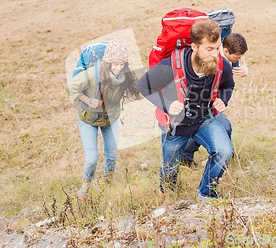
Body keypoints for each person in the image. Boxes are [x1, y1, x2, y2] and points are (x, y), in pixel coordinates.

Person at [137, 19, 235, 201]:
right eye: (209, 49)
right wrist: (166, 104)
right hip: (176, 126)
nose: (215, 54)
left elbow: (228, 84)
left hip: (204, 119)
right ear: (194, 47)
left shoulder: (221, 64)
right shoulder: (171, 65)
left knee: (224, 151)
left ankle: (205, 194)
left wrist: (223, 99)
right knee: (170, 168)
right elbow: (143, 85)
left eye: (217, 47)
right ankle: (167, 193)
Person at [66, 39, 140, 198]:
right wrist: (87, 100)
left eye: (122, 64)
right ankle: (86, 185)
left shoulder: (125, 75)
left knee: (112, 154)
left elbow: (137, 86)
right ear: (107, 63)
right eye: (115, 64)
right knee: (92, 158)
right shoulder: (92, 75)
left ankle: (107, 180)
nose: (118, 68)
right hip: (89, 120)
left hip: (110, 118)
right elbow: (70, 87)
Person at [181, 33, 249, 168]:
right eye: (236, 57)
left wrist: (244, 70)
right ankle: (189, 156)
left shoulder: (229, 54)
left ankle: (222, 155)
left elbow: (229, 84)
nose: (239, 59)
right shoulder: (212, 61)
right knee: (217, 128)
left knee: (222, 128)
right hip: (202, 104)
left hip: (214, 104)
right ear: (225, 51)